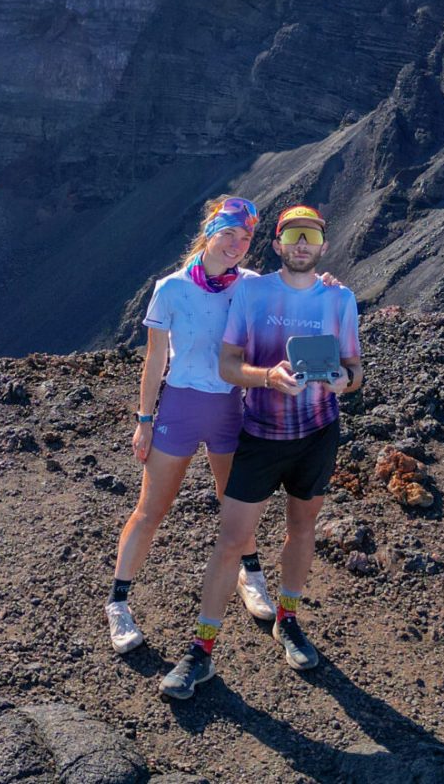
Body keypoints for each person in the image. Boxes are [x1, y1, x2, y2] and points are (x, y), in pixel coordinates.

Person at [159, 203, 363, 699]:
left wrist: (343, 380)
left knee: (302, 528)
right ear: (277, 244)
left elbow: (356, 370)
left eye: (310, 236)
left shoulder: (341, 299)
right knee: (231, 541)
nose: (300, 244)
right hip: (259, 436)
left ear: (323, 246)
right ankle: (201, 651)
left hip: (317, 433)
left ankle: (288, 619)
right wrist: (267, 377)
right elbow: (229, 365)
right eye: (292, 235)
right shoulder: (252, 291)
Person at [105, 196, 277, 654]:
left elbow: (298, 296)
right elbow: (155, 359)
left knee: (234, 503)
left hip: (228, 409)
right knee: (151, 509)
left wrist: (327, 284)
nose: (237, 246)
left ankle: (252, 575)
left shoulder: (253, 286)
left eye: (245, 239)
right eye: (229, 235)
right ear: (209, 233)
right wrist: (144, 421)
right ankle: (118, 603)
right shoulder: (172, 289)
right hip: (179, 408)